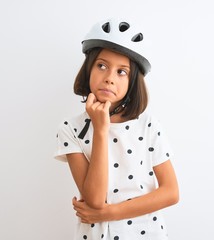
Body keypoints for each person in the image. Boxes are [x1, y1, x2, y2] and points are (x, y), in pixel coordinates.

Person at [54, 17, 179, 240]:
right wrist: (101, 131)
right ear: (89, 69)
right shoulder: (71, 128)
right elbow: (94, 200)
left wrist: (109, 213)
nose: (109, 78)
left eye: (121, 72)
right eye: (102, 66)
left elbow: (170, 192)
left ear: (132, 81)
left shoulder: (147, 125)